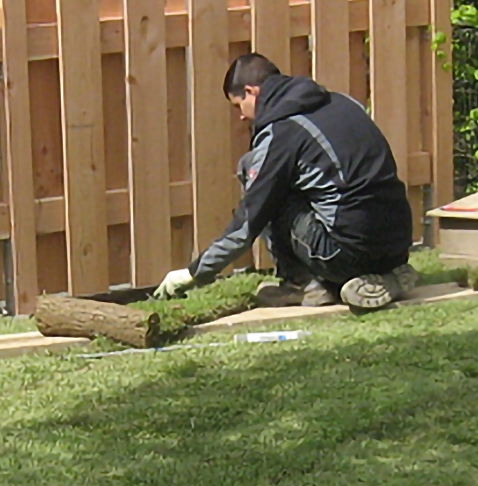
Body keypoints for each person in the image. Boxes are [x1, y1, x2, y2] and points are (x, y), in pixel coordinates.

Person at [153, 53, 416, 309]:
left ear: (251, 91)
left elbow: (248, 221)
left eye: (238, 106)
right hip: (398, 242)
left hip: (345, 254)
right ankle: (384, 276)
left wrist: (193, 273)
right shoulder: (344, 103)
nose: (241, 117)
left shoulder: (282, 132)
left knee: (257, 176)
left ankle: (301, 284)